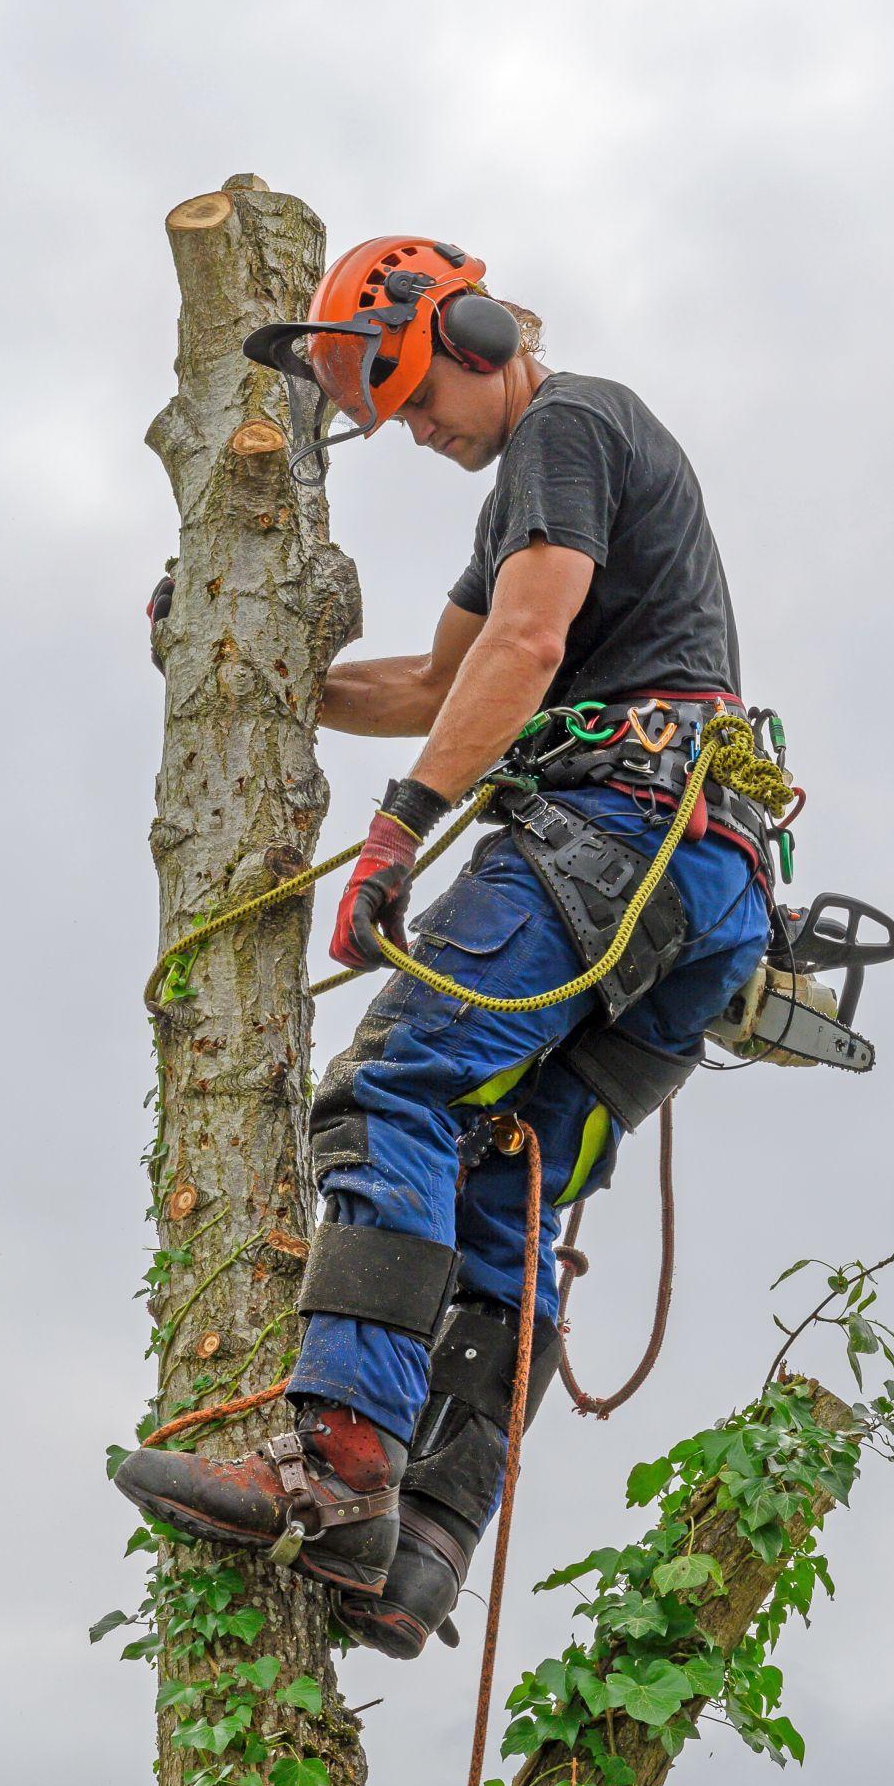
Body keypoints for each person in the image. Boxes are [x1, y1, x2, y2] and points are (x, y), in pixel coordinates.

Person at [116, 236, 773, 1659]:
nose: (418, 433)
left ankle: (338, 1462)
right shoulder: (534, 484)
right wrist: (235, 656)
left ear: (472, 333)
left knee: (398, 1092)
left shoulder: (568, 422)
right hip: (706, 899)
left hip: (615, 831)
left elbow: (525, 653)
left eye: (414, 397)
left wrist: (404, 833)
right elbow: (432, 682)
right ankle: (421, 1541)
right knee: (502, 1176)